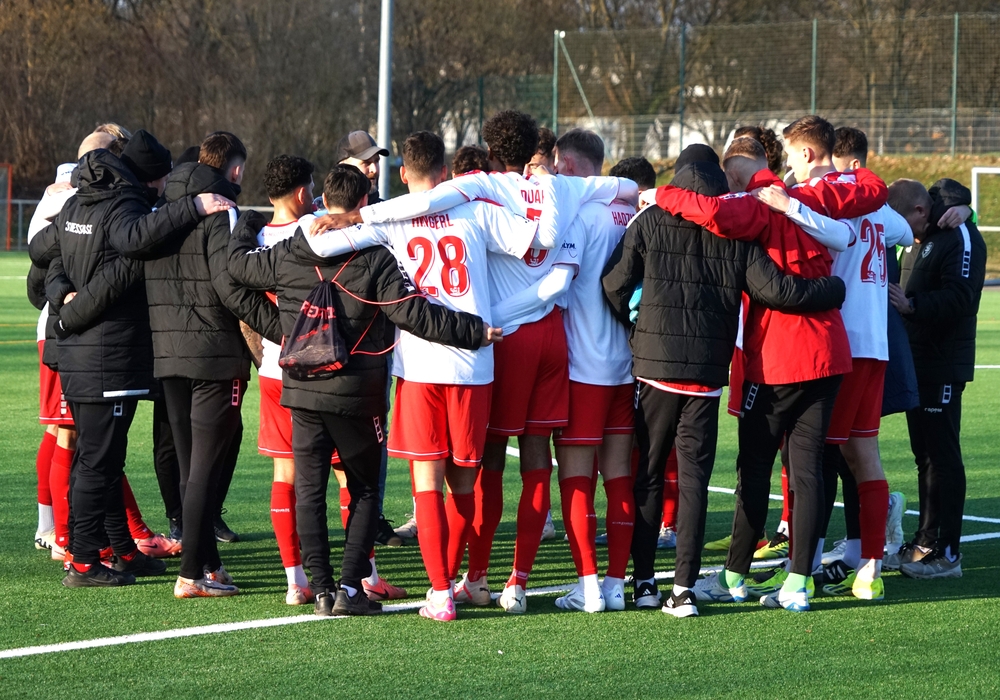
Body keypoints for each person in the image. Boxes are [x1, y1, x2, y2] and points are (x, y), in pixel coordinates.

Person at [229, 162, 503, 617]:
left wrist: (283, 330)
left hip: (302, 389)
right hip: (357, 393)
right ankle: (349, 589)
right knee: (364, 492)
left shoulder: (292, 248)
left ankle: (321, 590)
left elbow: (233, 274)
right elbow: (413, 314)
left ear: (324, 202)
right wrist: (475, 331)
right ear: (362, 205)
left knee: (309, 491)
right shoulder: (375, 254)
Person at [308, 133, 540, 621]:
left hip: (419, 366)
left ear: (402, 173)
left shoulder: (389, 217)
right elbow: (533, 240)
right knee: (463, 485)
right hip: (474, 363)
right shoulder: (475, 210)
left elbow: (323, 243)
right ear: (446, 171)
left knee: (427, 485)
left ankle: (439, 594)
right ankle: (456, 580)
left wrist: (341, 217)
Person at [603, 158, 847, 617]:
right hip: (709, 373)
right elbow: (777, 290)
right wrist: (833, 289)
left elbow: (614, 283)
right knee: (695, 481)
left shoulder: (651, 219)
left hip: (656, 368)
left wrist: (638, 328)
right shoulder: (736, 233)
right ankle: (685, 590)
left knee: (650, 474)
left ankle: (645, 583)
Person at [654, 131, 885, 612]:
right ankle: (799, 583)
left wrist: (660, 195)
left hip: (780, 357)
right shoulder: (812, 196)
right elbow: (871, 194)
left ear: (736, 176)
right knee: (809, 469)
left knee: (755, 468)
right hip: (830, 351)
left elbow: (713, 213)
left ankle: (735, 575)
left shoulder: (753, 205)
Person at [29, 132, 233, 587]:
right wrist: (194, 206)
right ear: (149, 179)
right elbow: (134, 241)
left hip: (83, 354)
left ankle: (118, 549)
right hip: (105, 355)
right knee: (97, 460)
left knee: (101, 457)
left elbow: (44, 251)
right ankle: (84, 559)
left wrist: (61, 294)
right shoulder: (124, 208)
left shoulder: (78, 204)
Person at [758, 125, 913, 601]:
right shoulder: (870, 197)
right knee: (862, 455)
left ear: (808, 153)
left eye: (791, 155)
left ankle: (801, 569)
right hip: (876, 342)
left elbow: (836, 236)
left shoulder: (813, 195)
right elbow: (906, 231)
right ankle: (868, 569)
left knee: (812, 456)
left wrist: (789, 205)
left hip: (838, 342)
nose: (788, 165)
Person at [136, 130, 281, 598]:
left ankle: (210, 565)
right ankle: (191, 573)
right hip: (214, 356)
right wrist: (285, 330)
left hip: (168, 354)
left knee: (189, 467)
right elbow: (230, 286)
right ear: (234, 169)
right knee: (204, 469)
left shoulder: (159, 211)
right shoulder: (221, 212)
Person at [544, 129, 636, 614]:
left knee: (576, 477)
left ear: (569, 165)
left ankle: (589, 586)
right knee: (619, 475)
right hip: (627, 367)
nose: (554, 171)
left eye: (557, 164)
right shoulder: (632, 211)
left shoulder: (580, 216)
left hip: (584, 367)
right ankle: (615, 583)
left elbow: (558, 286)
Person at [888, 177, 986, 579]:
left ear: (920, 211)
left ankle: (948, 553)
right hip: (918, 361)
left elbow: (962, 297)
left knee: (943, 456)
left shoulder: (959, 234)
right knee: (925, 455)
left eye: (904, 222)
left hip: (943, 363)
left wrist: (911, 305)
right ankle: (925, 543)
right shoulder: (922, 235)